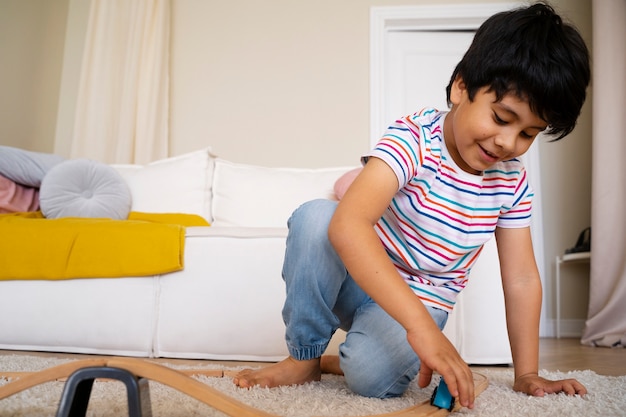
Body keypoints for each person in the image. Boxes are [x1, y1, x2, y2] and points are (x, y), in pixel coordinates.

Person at [234, 2, 590, 409]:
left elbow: (523, 278)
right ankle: (306, 358)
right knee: (317, 218)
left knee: (369, 380)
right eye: (501, 117)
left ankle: (350, 359)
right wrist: (421, 330)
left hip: (424, 295)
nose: (508, 143)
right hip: (363, 275)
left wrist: (526, 373)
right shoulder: (414, 137)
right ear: (461, 87)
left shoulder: (511, 179)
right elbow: (348, 225)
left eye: (528, 133)